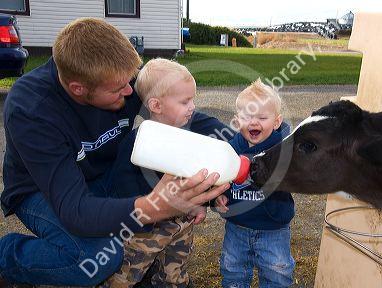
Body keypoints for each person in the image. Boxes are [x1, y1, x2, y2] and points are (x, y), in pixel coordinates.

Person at [0, 18, 229, 287]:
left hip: (106, 174)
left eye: (130, 80)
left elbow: (177, 114)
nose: (131, 91)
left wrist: (235, 145)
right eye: (119, 89)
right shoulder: (31, 109)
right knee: (93, 259)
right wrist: (155, 207)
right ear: (79, 89)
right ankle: (8, 258)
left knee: (150, 196)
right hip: (41, 190)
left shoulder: (117, 74)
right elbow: (75, 209)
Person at [101, 58, 213, 288]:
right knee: (127, 274)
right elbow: (121, 186)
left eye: (192, 99)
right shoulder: (139, 142)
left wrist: (199, 204)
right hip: (145, 233)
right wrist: (143, 216)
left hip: (181, 223)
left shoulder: (188, 137)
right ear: (156, 106)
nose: (192, 107)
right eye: (185, 101)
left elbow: (193, 178)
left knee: (175, 269)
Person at [214, 79, 296, 287]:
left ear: (277, 122)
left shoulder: (282, 151)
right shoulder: (230, 149)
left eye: (262, 117)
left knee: (277, 272)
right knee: (232, 270)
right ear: (236, 120)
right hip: (237, 227)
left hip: (273, 229)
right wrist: (218, 196)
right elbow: (221, 177)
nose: (254, 122)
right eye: (247, 116)